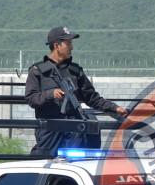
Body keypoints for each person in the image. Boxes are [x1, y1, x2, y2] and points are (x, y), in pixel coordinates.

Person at [25, 26, 127, 155]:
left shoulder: (75, 71)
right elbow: (31, 98)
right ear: (57, 45)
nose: (71, 47)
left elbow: (92, 98)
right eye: (68, 43)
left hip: (74, 128)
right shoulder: (37, 71)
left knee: (74, 162)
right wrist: (50, 94)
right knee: (43, 162)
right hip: (50, 128)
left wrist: (114, 108)